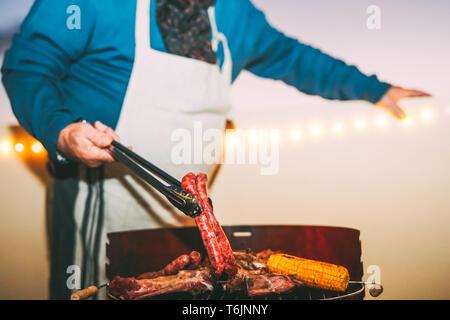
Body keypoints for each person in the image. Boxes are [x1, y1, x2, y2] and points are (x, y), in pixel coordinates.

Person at [1, 0, 429, 299]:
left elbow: (293, 57)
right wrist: (61, 132)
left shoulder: (233, 11)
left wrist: (376, 90)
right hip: (102, 201)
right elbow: (27, 66)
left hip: (188, 218)